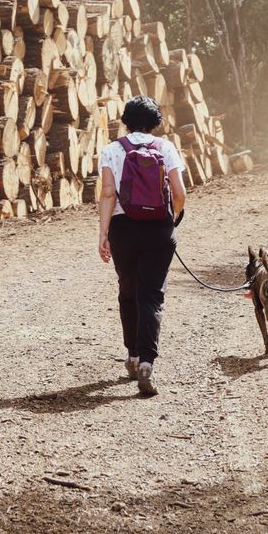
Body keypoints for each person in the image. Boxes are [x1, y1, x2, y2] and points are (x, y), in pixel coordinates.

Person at [98, 95, 186, 397]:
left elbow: (108, 194)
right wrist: (171, 221)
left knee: (128, 291)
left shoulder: (111, 150)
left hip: (124, 230)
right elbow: (179, 191)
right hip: (158, 230)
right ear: (154, 123)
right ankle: (148, 363)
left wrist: (104, 233)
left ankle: (133, 356)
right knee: (152, 296)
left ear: (125, 120)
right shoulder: (165, 147)